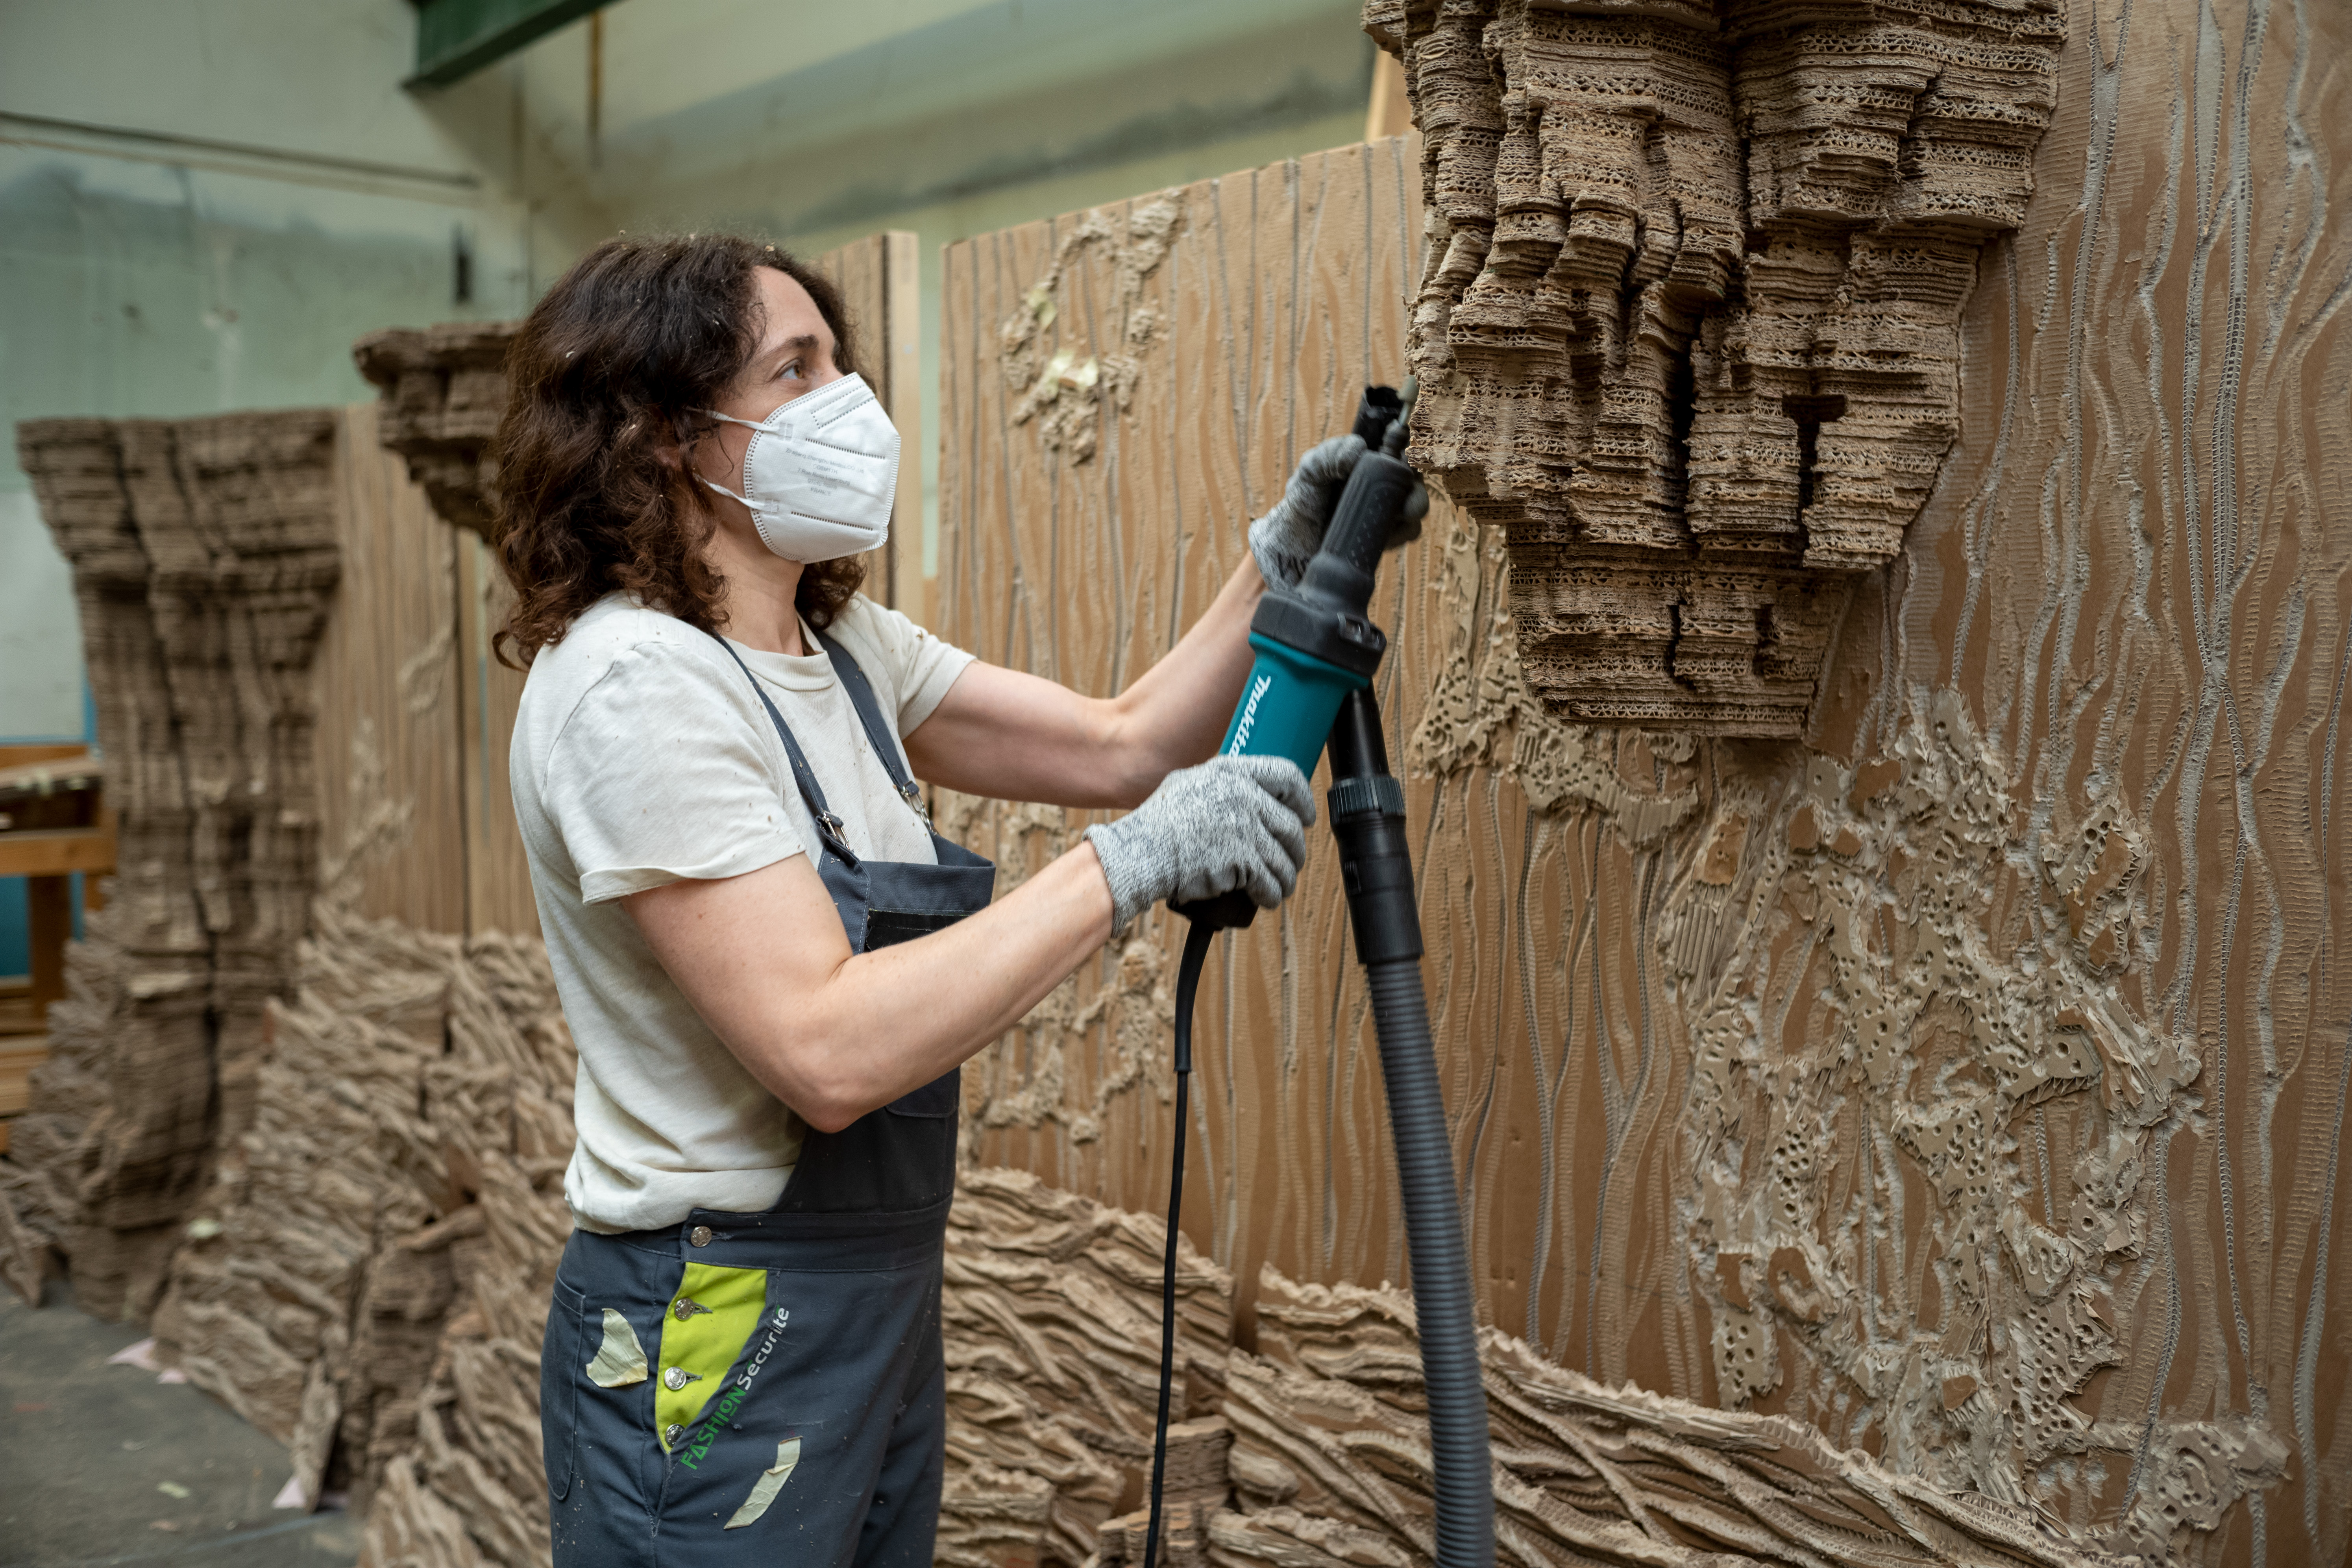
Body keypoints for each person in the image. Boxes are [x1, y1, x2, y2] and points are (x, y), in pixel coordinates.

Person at [494, 233, 1413, 1568]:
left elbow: (1120, 744)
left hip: (874, 1289)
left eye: (838, 362)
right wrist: (1132, 866)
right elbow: (824, 1049)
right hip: (717, 1310)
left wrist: (1284, 557)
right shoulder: (635, 686)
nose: (845, 403)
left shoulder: (843, 648)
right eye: (792, 370)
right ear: (654, 437)